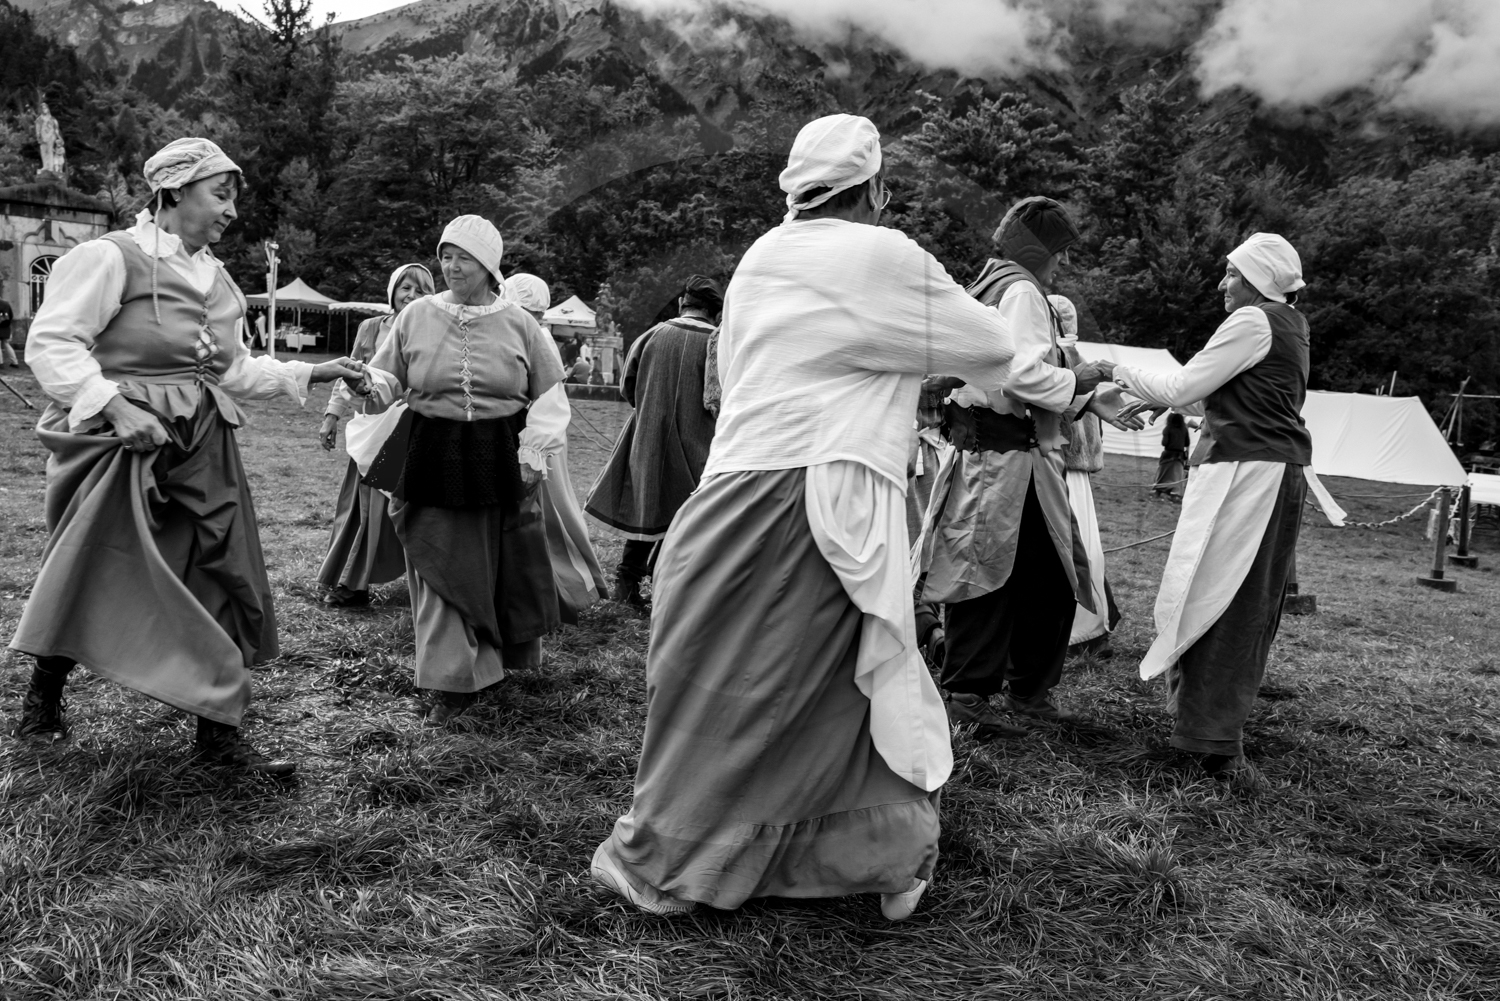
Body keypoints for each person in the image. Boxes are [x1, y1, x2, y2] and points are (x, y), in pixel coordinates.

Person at [591, 114, 1022, 922]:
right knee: (837, 684)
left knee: (717, 678)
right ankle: (870, 853)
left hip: (730, 490)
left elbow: (758, 372)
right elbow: (992, 346)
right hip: (824, 493)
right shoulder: (884, 254)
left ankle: (709, 849)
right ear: (876, 188)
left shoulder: (760, 255)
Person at [8, 138, 362, 772]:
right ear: (173, 191)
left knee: (222, 566)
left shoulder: (220, 282)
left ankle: (217, 734)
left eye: (233, 199)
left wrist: (314, 371)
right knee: (95, 564)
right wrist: (115, 407)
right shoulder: (110, 257)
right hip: (121, 442)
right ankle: (44, 698)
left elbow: (232, 370)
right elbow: (53, 342)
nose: (231, 212)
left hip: (202, 443)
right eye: (220, 195)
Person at [918, 197, 1130, 740]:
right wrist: (1082, 380)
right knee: (986, 575)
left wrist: (1084, 399)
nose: (1063, 263)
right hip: (1003, 462)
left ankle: (1025, 691)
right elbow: (1020, 375)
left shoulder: (989, 284)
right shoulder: (1020, 291)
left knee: (1043, 576)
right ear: (1039, 250)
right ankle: (970, 696)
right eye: (1059, 251)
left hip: (1011, 459)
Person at [1112, 233, 1313, 786]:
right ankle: (1202, 722)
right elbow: (1230, 392)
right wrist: (1164, 398)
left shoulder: (1253, 320)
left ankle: (1215, 739)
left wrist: (1113, 370)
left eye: (1232, 274)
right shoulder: (1289, 323)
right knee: (1221, 591)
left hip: (1250, 475)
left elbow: (1184, 385)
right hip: (1260, 470)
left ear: (1258, 280)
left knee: (1229, 597)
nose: (1223, 284)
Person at [353, 216, 566, 725]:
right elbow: (386, 379)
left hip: (498, 453)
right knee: (436, 559)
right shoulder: (415, 315)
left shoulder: (521, 323)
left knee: (493, 564)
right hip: (430, 449)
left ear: (489, 266)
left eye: (463, 258)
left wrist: (534, 452)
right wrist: (368, 386)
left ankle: (486, 663)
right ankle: (451, 681)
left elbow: (550, 395)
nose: (451, 267)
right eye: (445, 256)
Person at [585, 275, 723, 608]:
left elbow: (627, 387)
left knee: (646, 505)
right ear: (715, 312)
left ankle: (628, 583)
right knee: (688, 515)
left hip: (648, 436)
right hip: (700, 442)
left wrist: (650, 410)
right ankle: (668, 588)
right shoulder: (719, 344)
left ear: (683, 303)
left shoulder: (653, 335)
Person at [316, 264, 435, 606]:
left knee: (413, 507)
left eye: (421, 290)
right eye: (405, 288)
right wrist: (331, 416)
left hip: (412, 430)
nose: (411, 295)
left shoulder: (433, 329)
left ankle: (429, 584)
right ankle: (352, 582)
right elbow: (349, 373)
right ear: (392, 291)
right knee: (365, 506)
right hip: (372, 431)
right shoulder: (370, 328)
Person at [504, 272, 609, 619]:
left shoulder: (536, 337)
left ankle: (561, 595)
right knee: (540, 518)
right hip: (533, 439)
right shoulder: (524, 332)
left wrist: (533, 452)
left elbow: (549, 401)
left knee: (546, 520)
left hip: (537, 443)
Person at [1049, 295, 1120, 656]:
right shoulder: (1079, 360)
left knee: (1072, 548)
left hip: (1060, 464)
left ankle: (1080, 631)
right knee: (1082, 547)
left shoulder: (1060, 360)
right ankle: (1090, 628)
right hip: (1072, 466)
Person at [1153, 412, 1191, 499]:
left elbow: (1164, 443)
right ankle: (1174, 493)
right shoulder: (1184, 429)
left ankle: (1158, 491)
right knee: (1176, 476)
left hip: (1168, 455)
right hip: (1179, 456)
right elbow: (1187, 443)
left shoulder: (1168, 428)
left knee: (1163, 474)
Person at [0, 296, 17, 367]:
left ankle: (0, 362)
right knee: (6, 344)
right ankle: (14, 362)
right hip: (6, 326)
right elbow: (11, 316)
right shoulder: (6, 304)